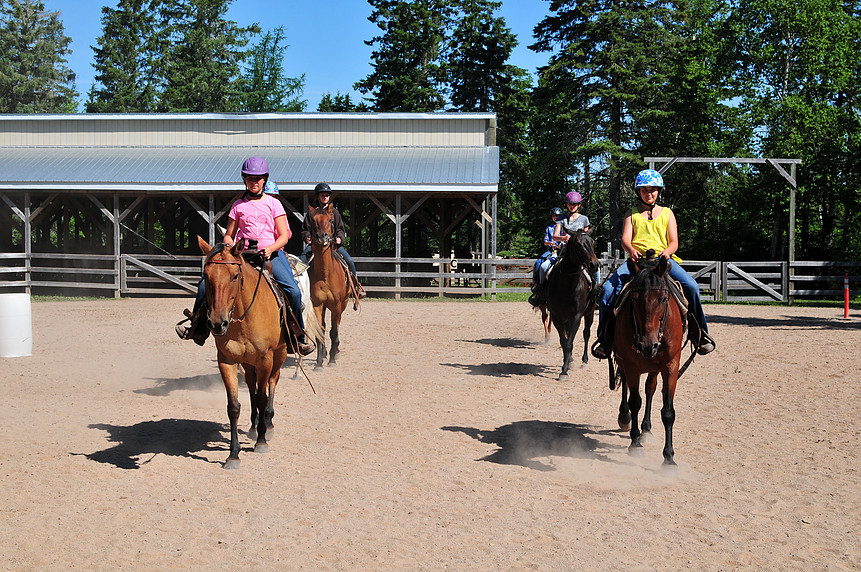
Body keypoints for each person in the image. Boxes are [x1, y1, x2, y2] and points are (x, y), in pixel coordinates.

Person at [176, 157, 315, 356]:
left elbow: (284, 235)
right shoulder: (238, 206)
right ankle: (198, 328)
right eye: (250, 178)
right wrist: (228, 249)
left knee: (293, 290)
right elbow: (229, 236)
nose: (254, 182)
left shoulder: (274, 204)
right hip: (242, 255)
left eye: (258, 178)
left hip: (271, 254)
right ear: (244, 180)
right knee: (205, 285)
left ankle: (297, 337)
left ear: (265, 180)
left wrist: (271, 248)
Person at [592, 169, 715, 359]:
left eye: (653, 190)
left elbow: (673, 241)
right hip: (637, 262)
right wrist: (631, 250)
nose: (649, 193)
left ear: (659, 191)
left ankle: (701, 335)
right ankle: (604, 339)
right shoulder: (631, 214)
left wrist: (667, 252)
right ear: (638, 192)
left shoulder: (667, 213)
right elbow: (625, 238)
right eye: (644, 190)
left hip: (663, 261)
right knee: (608, 290)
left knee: (691, 286)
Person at [301, 182, 366, 299]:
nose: (325, 197)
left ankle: (356, 287)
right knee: (302, 260)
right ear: (317, 197)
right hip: (316, 244)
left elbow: (340, 228)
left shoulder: (334, 213)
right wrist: (307, 237)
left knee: (349, 261)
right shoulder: (312, 213)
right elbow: (305, 229)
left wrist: (340, 238)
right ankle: (300, 288)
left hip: (333, 245)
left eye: (327, 195)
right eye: (322, 195)